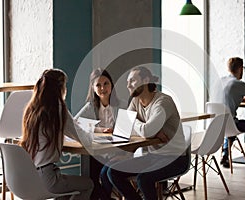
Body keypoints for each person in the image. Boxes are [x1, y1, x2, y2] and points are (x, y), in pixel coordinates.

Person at [107, 66, 189, 200]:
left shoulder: (163, 102)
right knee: (113, 172)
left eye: (132, 81)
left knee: (144, 179)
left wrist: (142, 126)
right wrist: (150, 130)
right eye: (128, 82)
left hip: (175, 158)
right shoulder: (135, 101)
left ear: (145, 80)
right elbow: (123, 128)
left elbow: (146, 131)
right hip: (153, 156)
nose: (128, 85)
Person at [20, 69, 94, 199]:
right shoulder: (57, 108)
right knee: (88, 184)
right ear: (60, 87)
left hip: (30, 177)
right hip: (48, 178)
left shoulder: (32, 108)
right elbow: (84, 139)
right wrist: (91, 130)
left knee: (66, 193)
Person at [75, 68, 126, 200]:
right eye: (98, 85)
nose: (102, 88)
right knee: (89, 178)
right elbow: (76, 123)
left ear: (111, 85)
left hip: (117, 152)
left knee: (105, 175)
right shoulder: (90, 106)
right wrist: (99, 130)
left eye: (106, 83)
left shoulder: (122, 105)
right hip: (97, 153)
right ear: (93, 87)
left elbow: (128, 132)